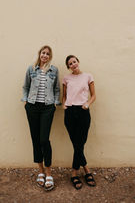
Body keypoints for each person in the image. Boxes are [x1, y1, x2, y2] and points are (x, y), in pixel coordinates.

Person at [22, 45, 60, 191]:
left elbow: (57, 88)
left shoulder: (54, 70)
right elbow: (25, 86)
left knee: (44, 139)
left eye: (48, 54)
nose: (45, 55)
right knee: (35, 138)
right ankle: (40, 171)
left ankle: (49, 172)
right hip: (32, 107)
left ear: (50, 56)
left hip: (47, 108)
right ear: (39, 54)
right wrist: (25, 101)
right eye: (43, 53)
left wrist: (55, 103)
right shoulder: (31, 69)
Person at [62, 55, 96, 189]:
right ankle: (86, 170)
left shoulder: (88, 76)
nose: (73, 64)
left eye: (74, 62)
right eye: (70, 63)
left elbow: (93, 95)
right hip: (70, 112)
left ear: (78, 62)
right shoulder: (66, 78)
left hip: (83, 111)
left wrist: (87, 104)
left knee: (80, 143)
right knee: (77, 144)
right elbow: (64, 95)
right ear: (68, 66)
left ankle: (74, 173)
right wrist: (64, 105)